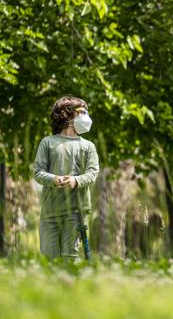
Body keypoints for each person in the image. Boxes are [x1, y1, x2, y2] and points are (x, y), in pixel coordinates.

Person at [33, 96, 99, 259]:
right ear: (66, 114)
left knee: (70, 257)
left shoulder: (88, 146)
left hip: (76, 211)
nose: (86, 117)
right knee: (49, 258)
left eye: (86, 112)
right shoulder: (47, 143)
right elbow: (38, 172)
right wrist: (54, 179)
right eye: (81, 112)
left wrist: (76, 181)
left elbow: (92, 173)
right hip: (50, 210)